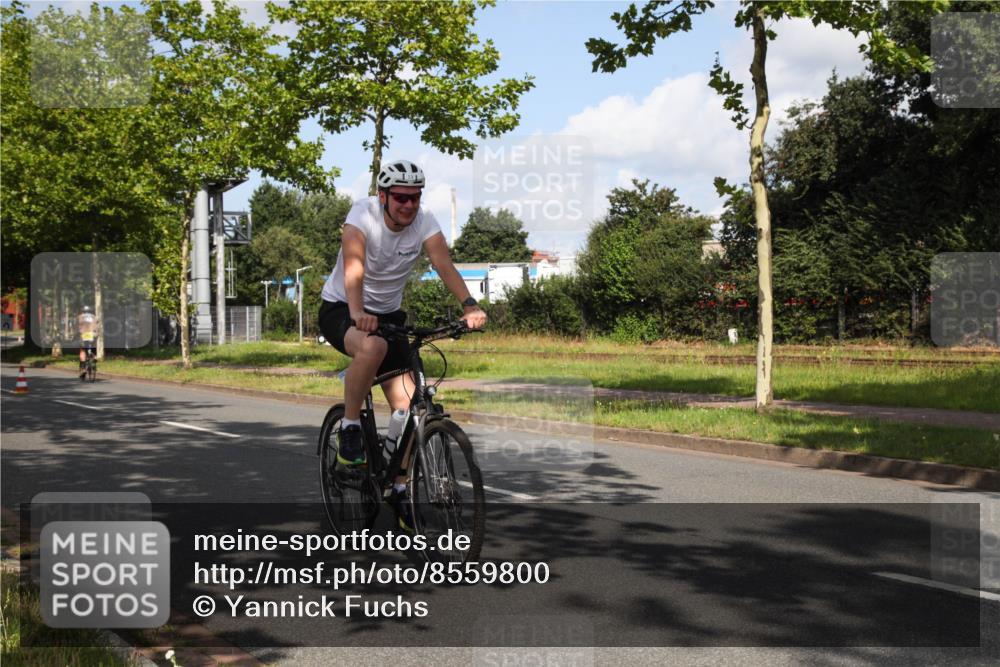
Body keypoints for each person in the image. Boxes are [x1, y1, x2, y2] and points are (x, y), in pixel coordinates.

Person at [318, 159, 487, 532]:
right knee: (373, 348)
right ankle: (349, 427)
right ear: (383, 196)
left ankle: (398, 487)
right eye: (400, 198)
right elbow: (354, 267)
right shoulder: (361, 215)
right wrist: (359, 311)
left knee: (411, 407)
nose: (408, 205)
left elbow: (443, 263)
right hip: (344, 308)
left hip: (389, 316)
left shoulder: (425, 221)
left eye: (414, 198)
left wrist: (469, 305)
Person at [77, 305, 97, 379]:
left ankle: (83, 369)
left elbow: (77, 327)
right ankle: (94, 356)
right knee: (93, 346)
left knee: (82, 350)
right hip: (92, 334)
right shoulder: (94, 317)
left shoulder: (80, 317)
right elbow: (97, 326)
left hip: (84, 334)